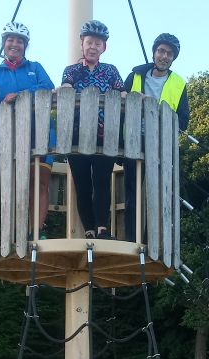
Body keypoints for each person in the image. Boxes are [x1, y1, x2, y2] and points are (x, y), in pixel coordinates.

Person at [0, 22, 55, 239]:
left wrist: (20, 94)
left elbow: (48, 87)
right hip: (10, 135)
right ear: (3, 44)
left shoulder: (34, 67)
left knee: (40, 182)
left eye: (20, 41)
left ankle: (36, 232)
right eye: (10, 40)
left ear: (25, 46)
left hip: (40, 131)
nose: (15, 44)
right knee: (16, 183)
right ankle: (17, 232)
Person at [122, 33, 190, 242]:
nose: (164, 56)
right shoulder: (135, 76)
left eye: (169, 53)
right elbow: (120, 104)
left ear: (173, 58)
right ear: (154, 53)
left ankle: (150, 241)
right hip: (134, 138)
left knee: (156, 194)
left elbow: (183, 121)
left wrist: (157, 109)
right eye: (161, 51)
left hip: (160, 143)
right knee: (132, 191)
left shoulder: (179, 84)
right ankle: (132, 239)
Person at [61, 20, 125, 240]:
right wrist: (63, 88)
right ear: (82, 44)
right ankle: (88, 228)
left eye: (98, 44)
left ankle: (102, 228)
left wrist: (136, 97)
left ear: (103, 47)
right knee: (82, 183)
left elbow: (121, 93)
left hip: (104, 134)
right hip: (76, 134)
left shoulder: (110, 71)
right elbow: (66, 87)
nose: (93, 47)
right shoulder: (72, 71)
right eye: (89, 42)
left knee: (102, 180)